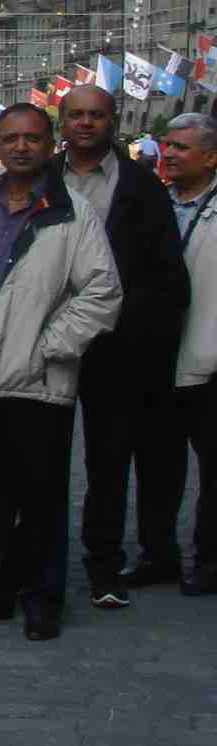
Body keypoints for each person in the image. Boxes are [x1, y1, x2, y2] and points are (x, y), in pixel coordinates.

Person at [0, 102, 122, 642]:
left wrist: (51, 345)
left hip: (40, 363)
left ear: (50, 144)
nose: (21, 147)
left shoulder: (69, 211)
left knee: (42, 490)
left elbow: (103, 291)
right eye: (11, 138)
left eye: (32, 138)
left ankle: (43, 598)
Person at [49, 86, 189, 607]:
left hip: (119, 348)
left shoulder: (141, 185)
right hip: (44, 341)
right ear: (62, 122)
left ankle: (105, 565)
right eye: (77, 115)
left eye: (96, 115)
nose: (86, 123)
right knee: (38, 460)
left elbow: (166, 272)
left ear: (112, 121)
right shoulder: (42, 178)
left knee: (110, 461)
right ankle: (34, 565)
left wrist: (143, 336)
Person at [153, 113, 217, 596]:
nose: (169, 154)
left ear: (211, 158)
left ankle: (208, 561)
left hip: (209, 361)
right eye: (167, 145)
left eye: (181, 147)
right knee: (158, 467)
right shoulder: (154, 203)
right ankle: (158, 555)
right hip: (156, 360)